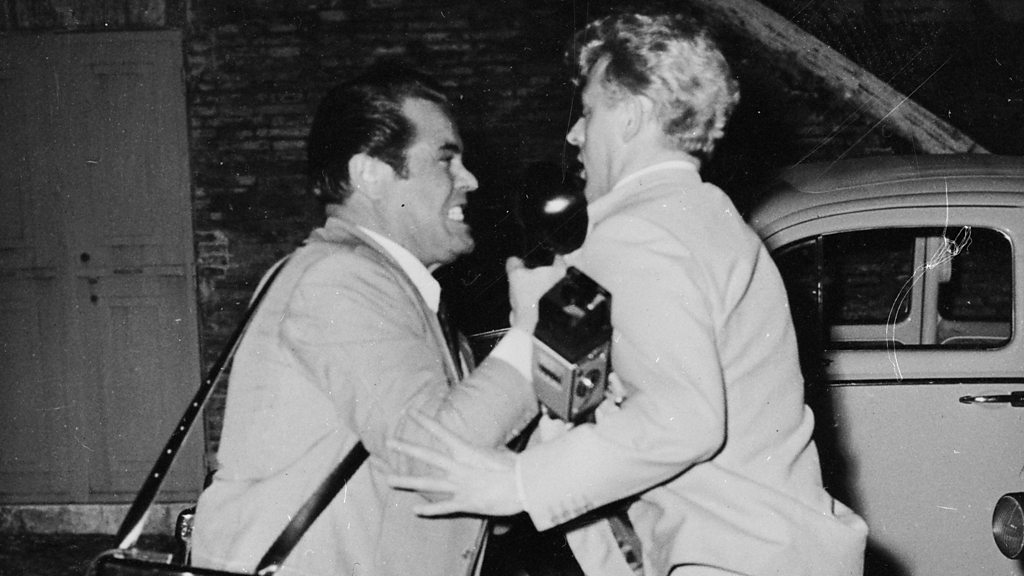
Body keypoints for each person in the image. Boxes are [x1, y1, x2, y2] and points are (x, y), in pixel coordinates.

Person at [388, 13, 869, 576]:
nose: (575, 135)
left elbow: (680, 419)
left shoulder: (637, 232)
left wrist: (516, 484)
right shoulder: (708, 217)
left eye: (588, 112)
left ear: (632, 116)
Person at [190, 63, 551, 576]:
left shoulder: (404, 293)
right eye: (446, 159)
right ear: (370, 174)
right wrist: (532, 334)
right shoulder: (340, 280)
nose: (469, 179)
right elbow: (434, 457)